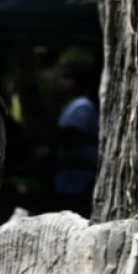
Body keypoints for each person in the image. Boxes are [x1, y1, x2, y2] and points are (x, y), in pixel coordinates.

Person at [50, 63, 99, 215]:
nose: (61, 83)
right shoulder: (70, 106)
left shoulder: (83, 106)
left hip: (80, 175)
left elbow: (70, 134)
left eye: (67, 77)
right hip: (67, 175)